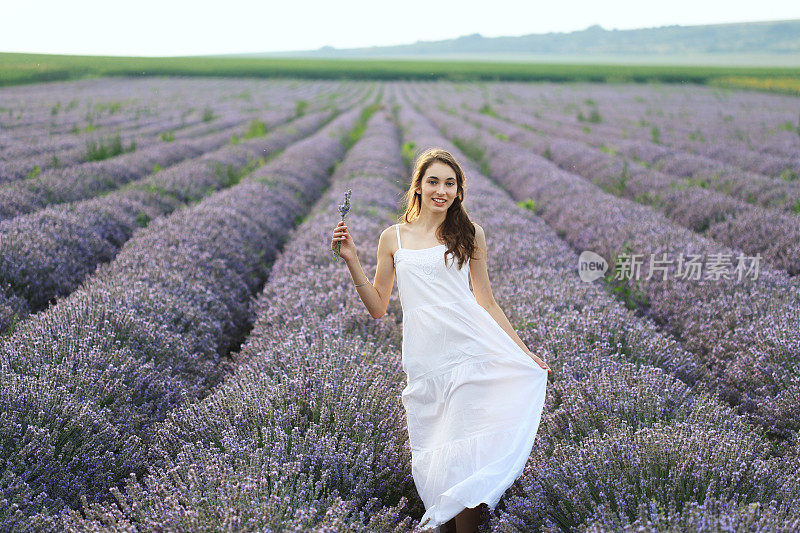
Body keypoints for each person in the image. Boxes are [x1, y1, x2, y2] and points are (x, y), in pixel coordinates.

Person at [330, 148, 551, 533]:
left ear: (459, 192)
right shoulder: (392, 237)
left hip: (471, 352)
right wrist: (352, 260)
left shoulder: (470, 234)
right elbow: (378, 307)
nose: (441, 190)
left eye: (450, 183)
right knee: (438, 457)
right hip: (425, 361)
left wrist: (524, 351)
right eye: (433, 181)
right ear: (418, 186)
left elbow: (486, 301)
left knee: (465, 458)